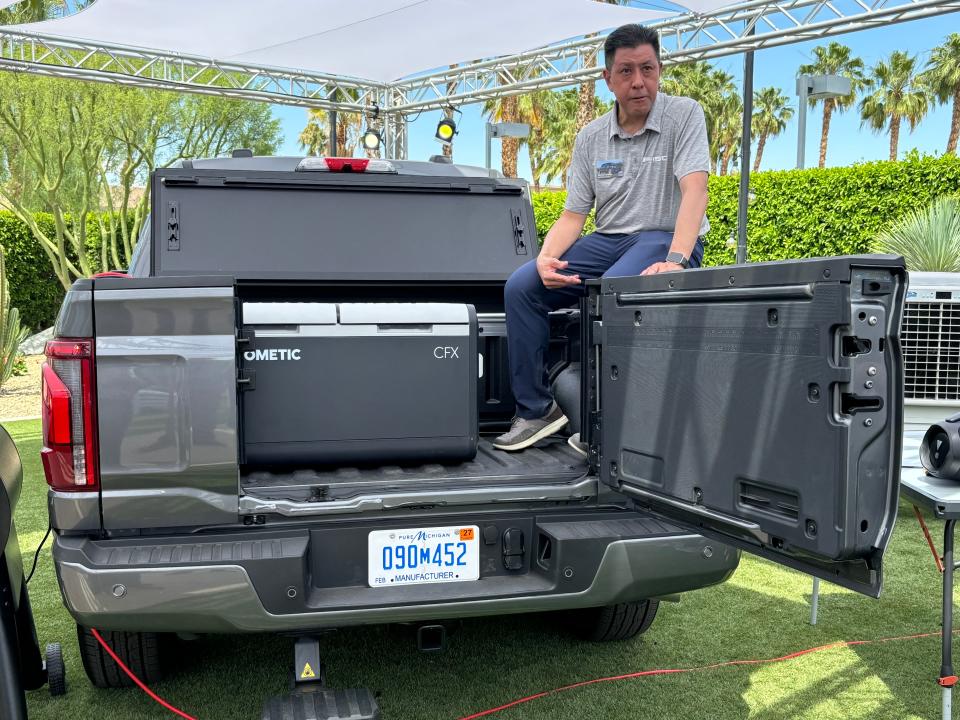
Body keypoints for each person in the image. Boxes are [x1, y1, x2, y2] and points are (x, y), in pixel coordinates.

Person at [492, 23, 711, 452]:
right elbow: (574, 215)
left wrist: (679, 259)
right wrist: (544, 259)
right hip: (609, 240)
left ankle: (607, 426)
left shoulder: (684, 115)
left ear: (660, 69)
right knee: (521, 287)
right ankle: (537, 411)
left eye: (648, 69)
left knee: (612, 293)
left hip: (665, 240)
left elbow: (695, 191)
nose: (639, 82)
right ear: (607, 79)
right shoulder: (591, 137)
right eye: (626, 71)